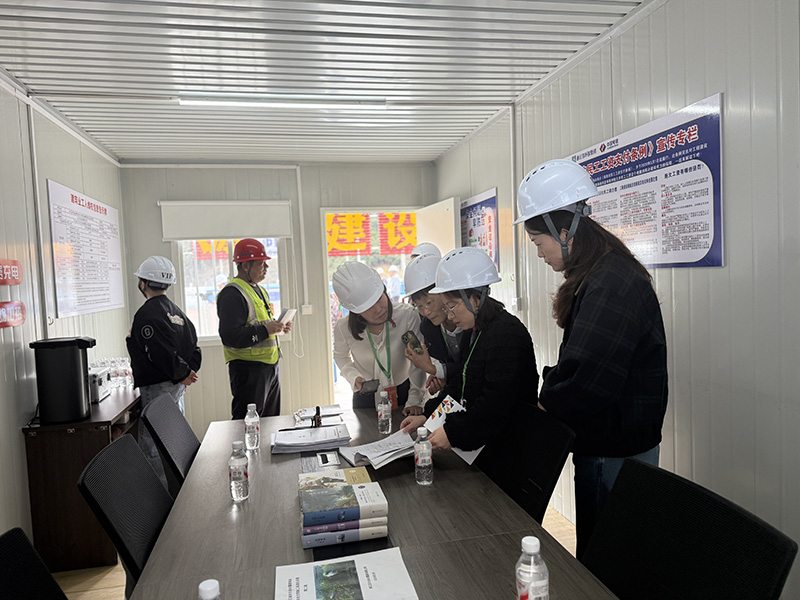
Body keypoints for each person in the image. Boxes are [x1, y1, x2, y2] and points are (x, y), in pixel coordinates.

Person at [516, 158, 668, 560]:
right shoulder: (604, 272)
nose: (539, 254)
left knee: (605, 561)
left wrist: (546, 399)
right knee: (613, 552)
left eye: (538, 242)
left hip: (612, 451)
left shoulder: (610, 283)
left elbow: (586, 379)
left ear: (564, 232)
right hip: (613, 443)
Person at [401, 247, 537, 451]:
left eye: (452, 306)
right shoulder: (477, 329)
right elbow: (460, 384)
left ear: (476, 297)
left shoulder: (506, 335)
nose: (450, 315)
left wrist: (453, 433)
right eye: (446, 308)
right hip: (484, 442)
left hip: (510, 446)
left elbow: (494, 405)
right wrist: (427, 415)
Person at [126, 255, 201, 487]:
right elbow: (194, 347)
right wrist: (188, 373)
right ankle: (180, 488)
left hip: (158, 387)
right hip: (177, 386)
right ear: (167, 283)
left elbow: (160, 353)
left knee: (153, 444)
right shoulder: (177, 312)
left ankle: (160, 496)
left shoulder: (146, 314)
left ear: (143, 284)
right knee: (175, 438)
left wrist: (182, 373)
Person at [332, 261, 426, 415]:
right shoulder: (344, 328)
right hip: (365, 395)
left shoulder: (407, 316)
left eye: (379, 299)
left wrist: (415, 400)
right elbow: (340, 356)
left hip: (404, 393)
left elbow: (418, 359)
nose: (378, 309)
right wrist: (353, 376)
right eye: (368, 308)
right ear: (356, 311)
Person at [217, 238, 292, 419]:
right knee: (247, 424)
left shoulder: (259, 290)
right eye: (261, 263)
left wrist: (278, 327)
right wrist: (266, 330)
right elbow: (230, 336)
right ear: (245, 266)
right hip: (248, 371)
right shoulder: (232, 294)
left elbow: (259, 324)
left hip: (269, 366)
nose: (266, 267)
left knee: (270, 422)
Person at [402, 252, 472, 396]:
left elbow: (473, 369)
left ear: (444, 293)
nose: (426, 312)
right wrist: (442, 376)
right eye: (419, 306)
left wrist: (437, 370)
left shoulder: (470, 321)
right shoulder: (428, 327)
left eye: (429, 303)